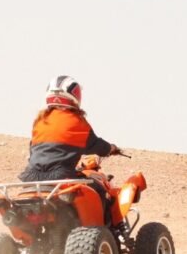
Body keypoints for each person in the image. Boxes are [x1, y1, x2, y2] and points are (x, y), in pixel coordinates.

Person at [19, 77, 121, 222]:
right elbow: (96, 145)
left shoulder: (40, 121)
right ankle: (101, 232)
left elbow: (34, 150)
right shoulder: (76, 121)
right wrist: (111, 148)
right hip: (61, 176)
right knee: (100, 191)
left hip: (31, 178)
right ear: (73, 95)